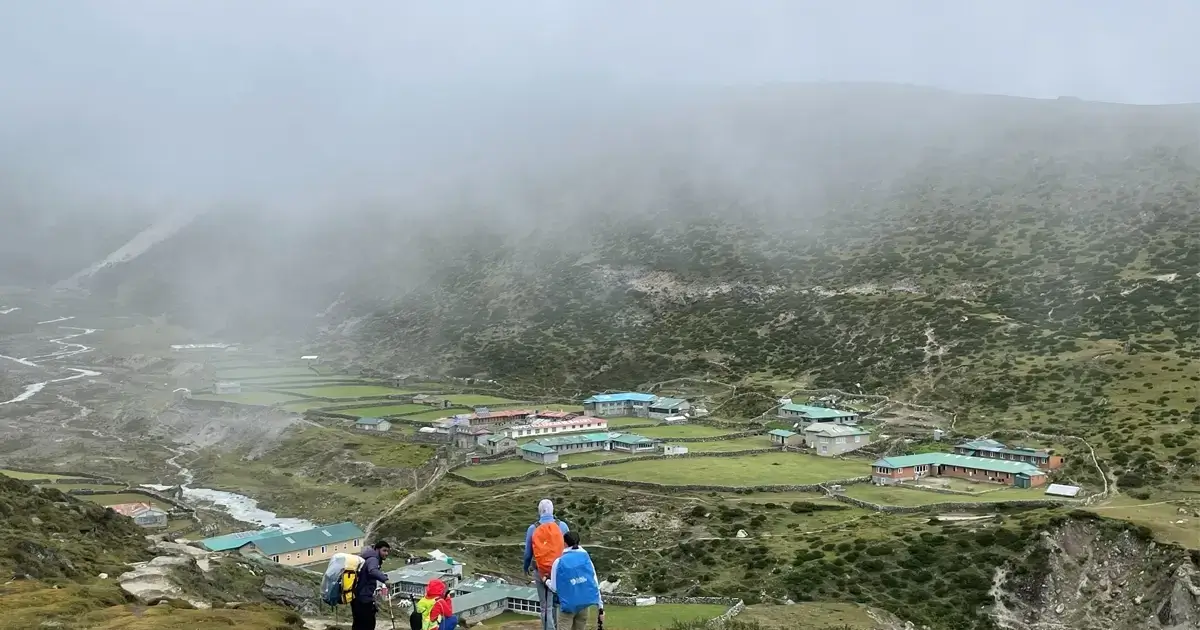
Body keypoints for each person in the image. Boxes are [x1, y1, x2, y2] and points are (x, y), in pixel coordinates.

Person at [524, 499, 570, 630]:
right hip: (560, 570)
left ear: (539, 511)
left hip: (542, 572)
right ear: (553, 511)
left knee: (545, 606)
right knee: (557, 603)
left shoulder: (533, 528)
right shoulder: (562, 526)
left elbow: (528, 554)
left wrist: (525, 568)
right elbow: (568, 548)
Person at [545, 531, 604, 630]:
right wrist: (600, 607)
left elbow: (555, 588)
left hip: (568, 607)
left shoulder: (559, 562)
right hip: (584, 605)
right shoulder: (586, 558)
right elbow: (594, 582)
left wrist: (546, 581)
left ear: (564, 543)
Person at [352, 541, 392, 630]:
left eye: (388, 551)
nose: (386, 553)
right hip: (364, 598)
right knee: (368, 625)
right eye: (384, 550)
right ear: (377, 549)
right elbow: (372, 570)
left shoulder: (367, 557)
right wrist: (385, 580)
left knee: (358, 624)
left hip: (356, 596)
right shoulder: (373, 559)